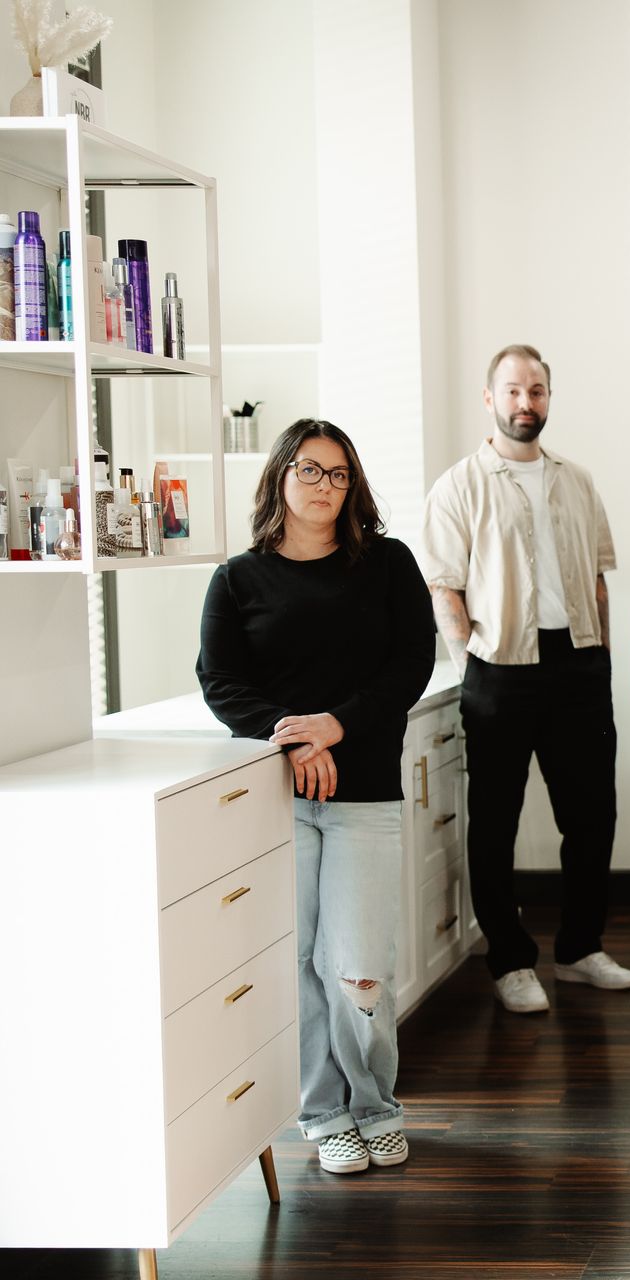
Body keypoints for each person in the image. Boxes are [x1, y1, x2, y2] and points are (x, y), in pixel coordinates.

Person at [197, 420, 435, 1175]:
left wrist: (337, 725)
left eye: (339, 474)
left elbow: (411, 665)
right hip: (276, 796)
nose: (325, 485)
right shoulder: (238, 579)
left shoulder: (388, 564)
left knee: (360, 966)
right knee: (298, 961)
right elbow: (221, 681)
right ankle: (325, 1113)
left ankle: (377, 1107)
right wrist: (292, 738)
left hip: (366, 790)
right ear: (280, 476)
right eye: (310, 469)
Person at [421, 343, 630, 1014]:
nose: (526, 402)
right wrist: (469, 666)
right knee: (494, 824)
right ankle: (510, 961)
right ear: (490, 399)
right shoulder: (460, 484)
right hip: (499, 669)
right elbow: (444, 586)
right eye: (513, 390)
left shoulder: (576, 480)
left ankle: (578, 950)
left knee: (593, 815)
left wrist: (599, 655)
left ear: (549, 398)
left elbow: (598, 577)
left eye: (537, 390)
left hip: (577, 663)